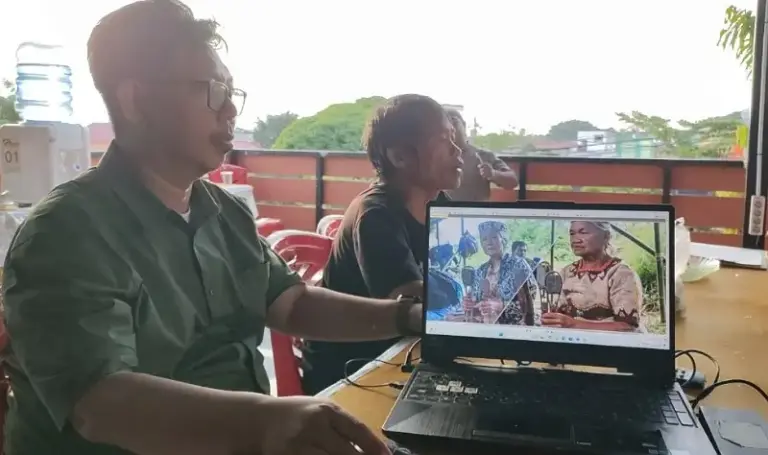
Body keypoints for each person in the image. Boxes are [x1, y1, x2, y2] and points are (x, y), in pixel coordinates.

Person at [1, 2, 418, 454]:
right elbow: (100, 402)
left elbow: (292, 304)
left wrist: (405, 317)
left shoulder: (224, 212)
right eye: (213, 91)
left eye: (232, 94)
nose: (229, 112)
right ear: (135, 100)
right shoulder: (64, 233)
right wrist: (268, 420)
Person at [301, 95, 463, 395]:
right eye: (443, 139)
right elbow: (409, 298)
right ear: (400, 157)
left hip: (404, 352)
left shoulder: (440, 206)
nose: (457, 149)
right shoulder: (376, 214)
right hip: (354, 368)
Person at [541, 221, 643, 332]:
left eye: (583, 232)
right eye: (572, 233)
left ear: (606, 236)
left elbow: (627, 327)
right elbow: (560, 314)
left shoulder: (620, 273)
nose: (576, 240)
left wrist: (573, 324)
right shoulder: (567, 272)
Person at [462, 221, 535, 325]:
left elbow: (530, 304)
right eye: (484, 239)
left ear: (503, 239)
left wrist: (501, 306)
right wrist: (469, 305)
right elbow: (477, 304)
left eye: (494, 237)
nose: (489, 242)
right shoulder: (480, 271)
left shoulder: (518, 265)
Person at [445, 109, 518, 201]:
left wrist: (493, 174)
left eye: (453, 120)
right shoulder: (435, 157)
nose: (451, 126)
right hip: (441, 213)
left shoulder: (482, 156)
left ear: (464, 125)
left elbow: (513, 181)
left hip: (476, 213)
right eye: (445, 124)